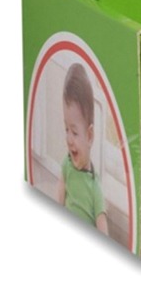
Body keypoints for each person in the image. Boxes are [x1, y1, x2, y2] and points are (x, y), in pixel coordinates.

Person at [56, 63, 108, 235]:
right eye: (66, 129)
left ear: (89, 136)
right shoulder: (67, 164)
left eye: (75, 132)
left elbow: (102, 226)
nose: (68, 139)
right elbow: (60, 192)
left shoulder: (94, 186)